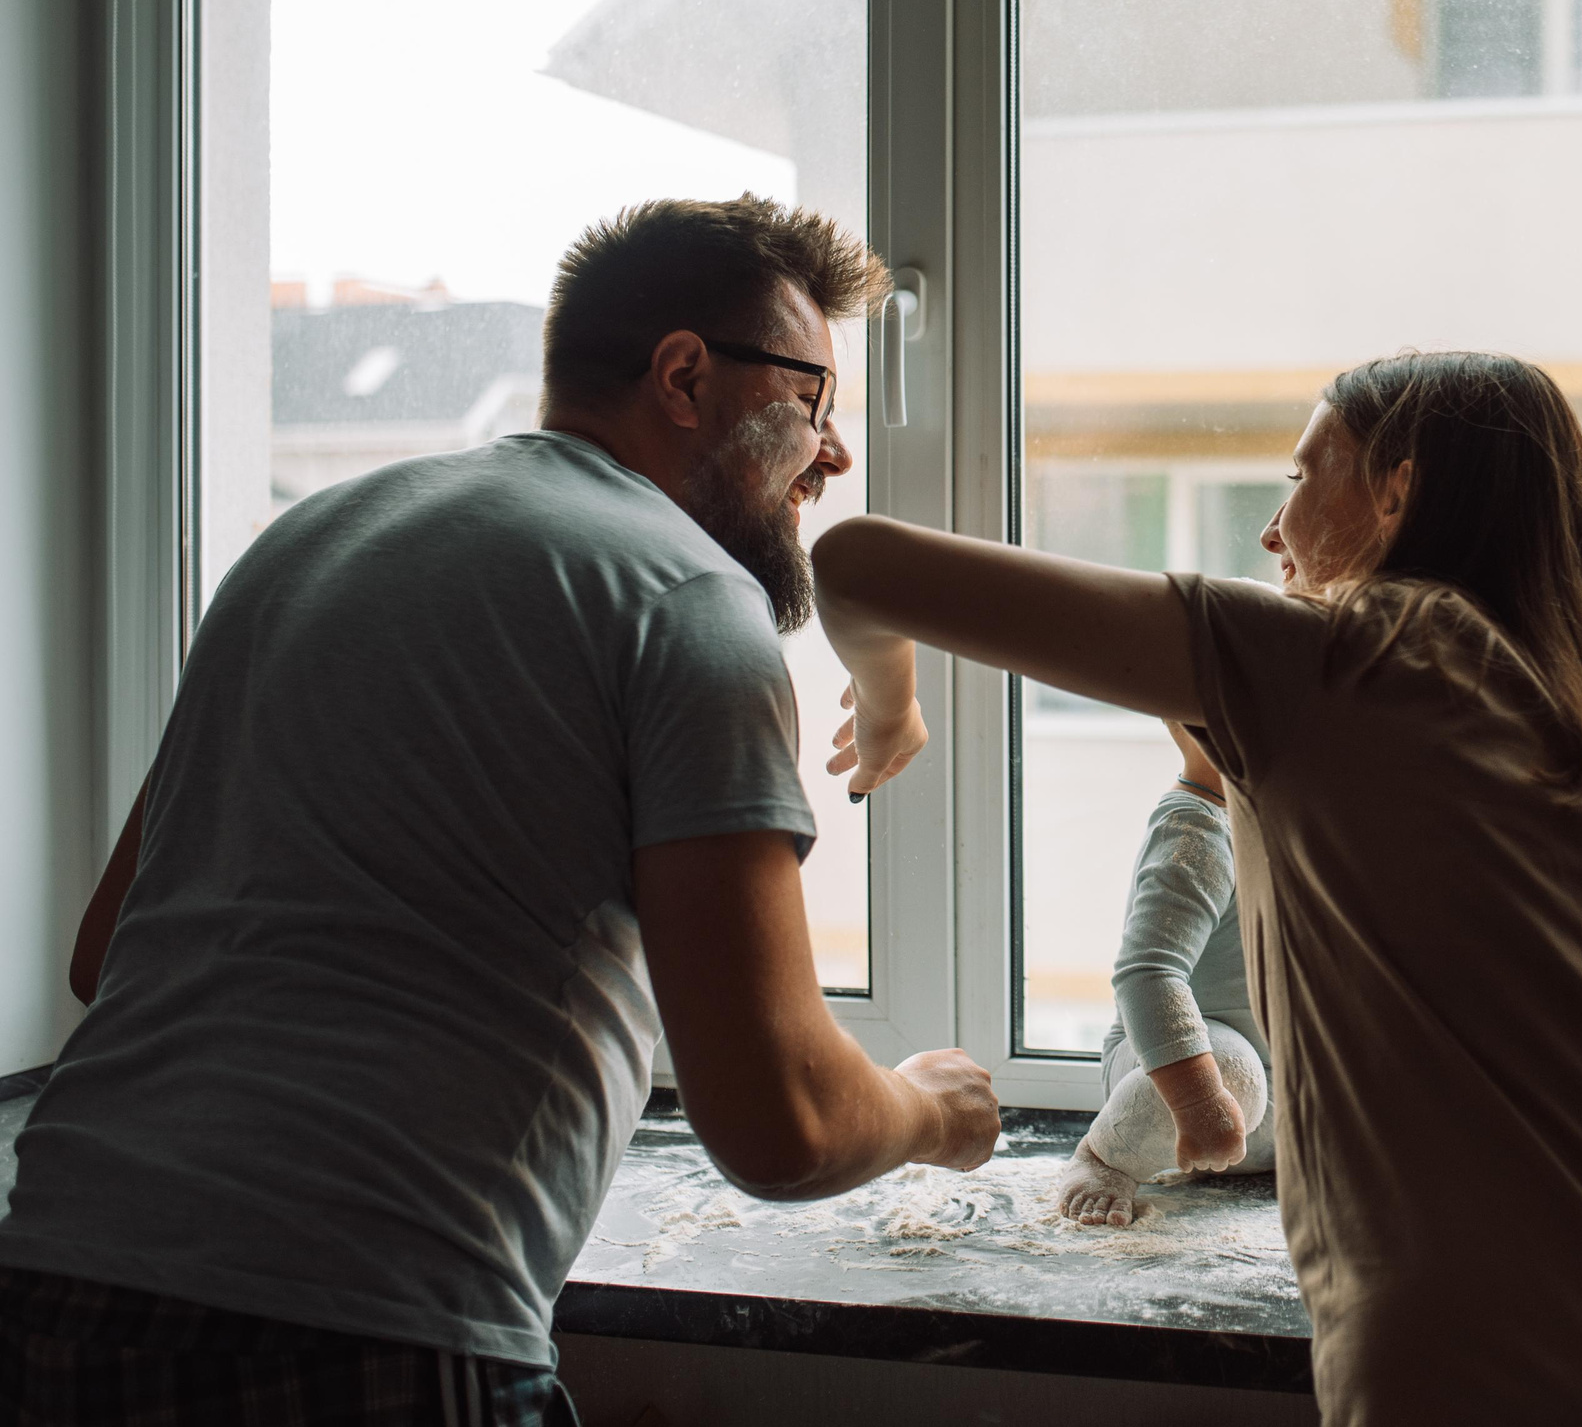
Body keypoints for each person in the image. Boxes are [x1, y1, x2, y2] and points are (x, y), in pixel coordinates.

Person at [0, 196, 999, 1427]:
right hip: (358, 1326)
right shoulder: (684, 595)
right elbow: (780, 1119)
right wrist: (928, 1108)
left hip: (52, 1289)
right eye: (814, 401)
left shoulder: (304, 543)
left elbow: (107, 955)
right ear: (684, 374)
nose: (834, 453)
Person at [819, 351, 1582, 1426]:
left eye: (1298, 474)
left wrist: (889, 700)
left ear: (1397, 490)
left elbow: (855, 563)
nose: (1273, 531)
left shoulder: (1331, 664)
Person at [1058, 722, 1276, 1228]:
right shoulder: (1198, 830)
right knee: (1228, 1067)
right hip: (1180, 1090)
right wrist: (1197, 1097)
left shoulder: (1301, 828)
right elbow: (1148, 973)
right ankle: (1105, 1156)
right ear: (1185, 720)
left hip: (1280, 1114)